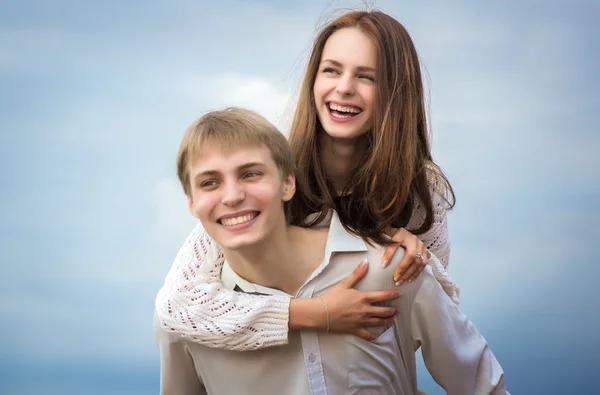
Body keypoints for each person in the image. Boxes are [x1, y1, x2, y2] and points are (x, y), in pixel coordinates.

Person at [156, 9, 459, 350]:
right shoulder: (270, 175)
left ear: (396, 93)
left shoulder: (421, 187)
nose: (343, 88)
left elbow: (439, 311)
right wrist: (316, 314)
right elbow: (175, 306)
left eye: (367, 77)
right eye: (331, 70)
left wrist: (417, 259)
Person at [154, 108, 508, 394]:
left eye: (250, 174)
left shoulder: (391, 269)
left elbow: (482, 386)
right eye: (209, 182)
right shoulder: (185, 321)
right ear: (192, 204)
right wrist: (318, 313)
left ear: (288, 183)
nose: (231, 196)